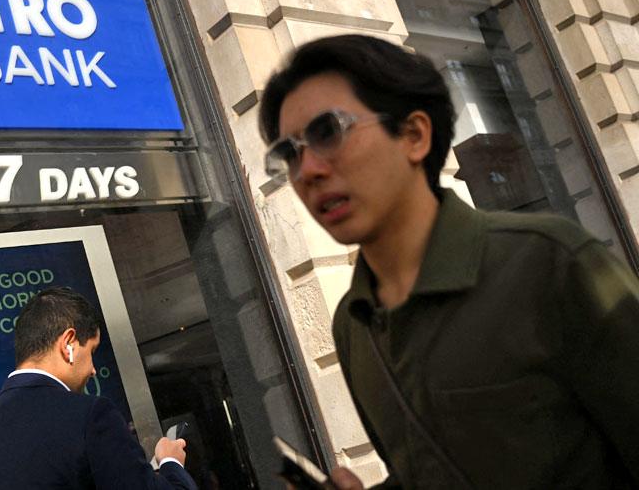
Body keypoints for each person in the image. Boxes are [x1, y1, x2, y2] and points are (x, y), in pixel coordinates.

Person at [259, 34, 639, 488]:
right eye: (289, 154)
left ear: (414, 135)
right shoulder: (353, 324)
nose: (308, 172)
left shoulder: (547, 263)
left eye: (328, 133)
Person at [0, 286, 197, 489]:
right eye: (92, 352)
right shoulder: (90, 417)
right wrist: (171, 463)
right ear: (69, 344)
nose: (93, 370)